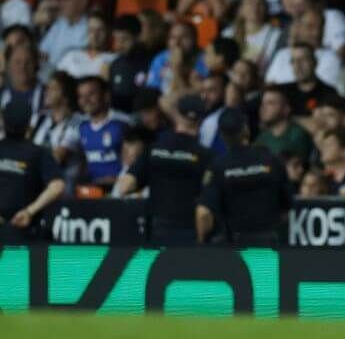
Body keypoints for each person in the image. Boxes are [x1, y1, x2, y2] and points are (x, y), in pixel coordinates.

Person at [113, 94, 213, 244]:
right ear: (201, 119)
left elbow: (125, 187)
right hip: (190, 230)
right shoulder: (207, 156)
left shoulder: (154, 149)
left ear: (177, 115)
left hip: (159, 230)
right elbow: (204, 211)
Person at [196, 107, 292, 245]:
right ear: (246, 129)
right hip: (268, 240)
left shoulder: (219, 166)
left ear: (222, 136)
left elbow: (203, 213)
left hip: (234, 244)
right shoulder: (271, 159)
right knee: (264, 268)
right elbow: (286, 207)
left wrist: (201, 242)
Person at [0, 99, 64, 243]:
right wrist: (30, 211)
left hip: (22, 231)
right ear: (29, 123)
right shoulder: (39, 152)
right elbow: (57, 186)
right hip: (23, 228)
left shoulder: (38, 153)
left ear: (3, 121)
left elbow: (57, 186)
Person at [70, 76, 132, 188]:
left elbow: (134, 160)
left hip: (119, 189)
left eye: (91, 94)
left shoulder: (122, 123)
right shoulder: (80, 126)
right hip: (91, 188)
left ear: (106, 95)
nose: (86, 100)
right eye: (81, 96)